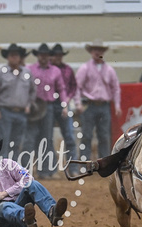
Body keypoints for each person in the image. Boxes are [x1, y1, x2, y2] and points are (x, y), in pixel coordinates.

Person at [26, 43, 69, 179]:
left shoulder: (55, 70)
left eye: (45, 55)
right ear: (38, 56)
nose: (43, 57)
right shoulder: (30, 69)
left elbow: (61, 89)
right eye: (41, 55)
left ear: (48, 56)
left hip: (48, 106)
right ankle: (27, 170)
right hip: (34, 106)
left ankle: (47, 170)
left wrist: (64, 105)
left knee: (46, 138)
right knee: (31, 138)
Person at [0, 43, 36, 159]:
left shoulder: (27, 73)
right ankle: (2, 170)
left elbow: (33, 90)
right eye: (12, 55)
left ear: (20, 57)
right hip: (5, 111)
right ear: (8, 57)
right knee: (3, 142)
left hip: (22, 112)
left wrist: (29, 104)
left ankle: (13, 168)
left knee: (17, 142)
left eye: (16, 55)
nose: (14, 57)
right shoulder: (1, 72)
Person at [75, 39, 121, 161]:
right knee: (87, 135)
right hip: (89, 105)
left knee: (104, 135)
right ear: (91, 51)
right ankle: (84, 162)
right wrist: (78, 103)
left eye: (99, 50)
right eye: (95, 50)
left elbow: (115, 88)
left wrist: (117, 105)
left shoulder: (109, 70)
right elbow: (77, 87)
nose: (97, 52)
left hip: (104, 105)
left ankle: (104, 163)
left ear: (103, 52)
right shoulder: (84, 68)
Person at [50, 43, 78, 176]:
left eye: (60, 55)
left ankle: (73, 168)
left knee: (69, 137)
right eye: (56, 55)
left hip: (63, 103)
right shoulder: (48, 69)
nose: (58, 57)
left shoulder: (67, 69)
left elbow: (73, 86)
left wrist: (67, 99)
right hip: (50, 104)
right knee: (48, 137)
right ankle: (51, 169)